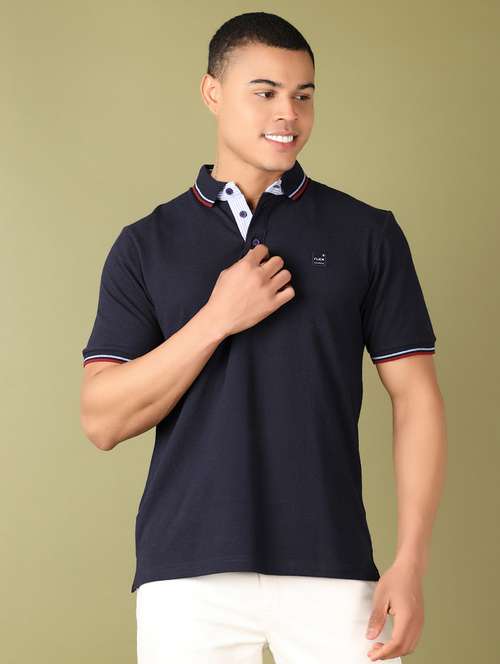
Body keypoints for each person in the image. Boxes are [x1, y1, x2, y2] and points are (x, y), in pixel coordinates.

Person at [80, 11, 447, 664]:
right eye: (266, 92)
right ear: (212, 92)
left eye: (304, 95)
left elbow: (416, 398)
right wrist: (217, 318)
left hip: (334, 564)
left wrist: (411, 560)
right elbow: (102, 420)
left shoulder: (367, 233)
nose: (288, 114)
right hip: (187, 574)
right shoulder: (145, 245)